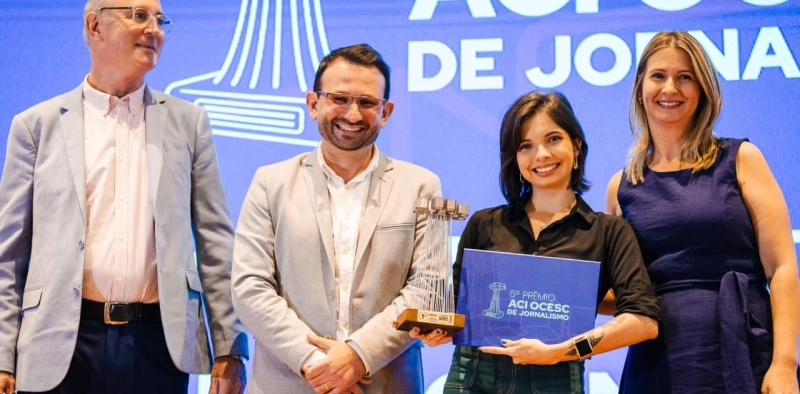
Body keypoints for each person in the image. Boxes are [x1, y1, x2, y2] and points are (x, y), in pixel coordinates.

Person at [0, 1, 249, 393]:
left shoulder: (189, 123)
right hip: (59, 344)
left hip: (158, 345)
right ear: (95, 25)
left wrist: (230, 349)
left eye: (161, 20)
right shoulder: (35, 127)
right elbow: (9, 255)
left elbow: (216, 242)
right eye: (139, 16)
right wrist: (2, 355)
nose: (156, 29)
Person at [411, 91, 660, 393]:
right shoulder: (484, 224)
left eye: (553, 139)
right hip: (473, 377)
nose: (540, 154)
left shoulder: (608, 232)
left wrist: (561, 351)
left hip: (556, 379)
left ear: (577, 146)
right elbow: (459, 312)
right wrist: (438, 330)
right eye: (525, 146)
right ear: (514, 159)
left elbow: (643, 321)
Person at [230, 43, 440, 394]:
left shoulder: (421, 186)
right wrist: (319, 365)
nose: (353, 114)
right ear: (314, 104)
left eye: (367, 102)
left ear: (386, 111)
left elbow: (426, 289)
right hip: (290, 382)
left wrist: (358, 356)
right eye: (339, 99)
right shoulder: (270, 182)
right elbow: (250, 287)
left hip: (386, 384)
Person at [605, 30, 800, 394]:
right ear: (640, 89)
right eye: (658, 76)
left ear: (703, 90)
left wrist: (785, 363)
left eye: (685, 77)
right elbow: (622, 293)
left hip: (742, 353)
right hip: (654, 364)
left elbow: (783, 268)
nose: (670, 89)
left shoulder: (741, 159)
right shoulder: (621, 187)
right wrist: (542, 293)